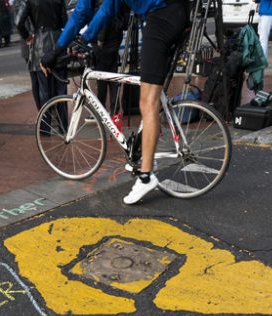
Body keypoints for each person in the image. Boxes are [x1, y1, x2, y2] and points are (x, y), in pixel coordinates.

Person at [45, 0, 189, 204]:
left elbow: (85, 11)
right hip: (173, 13)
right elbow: (106, 9)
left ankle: (146, 176)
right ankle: (143, 151)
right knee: (149, 97)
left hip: (162, 19)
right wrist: (85, 38)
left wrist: (58, 49)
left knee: (147, 103)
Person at [17, 0, 68, 131]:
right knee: (61, 88)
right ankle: (64, 126)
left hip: (40, 43)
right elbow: (64, 21)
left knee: (44, 90)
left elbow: (19, 23)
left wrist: (27, 36)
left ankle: (45, 127)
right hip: (57, 41)